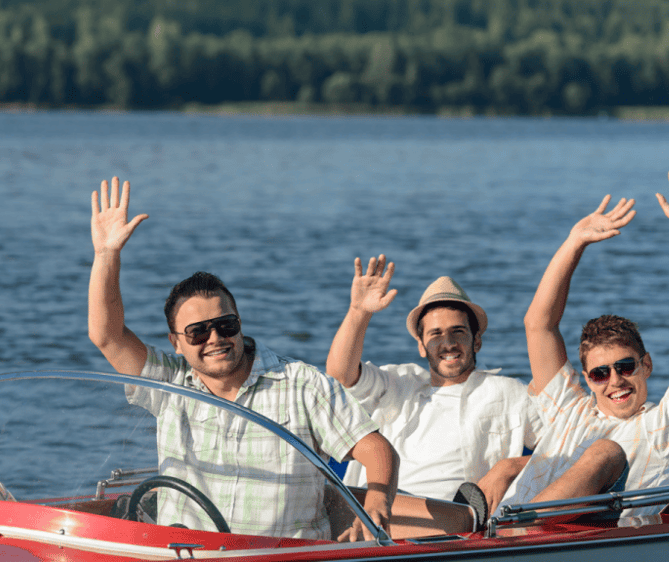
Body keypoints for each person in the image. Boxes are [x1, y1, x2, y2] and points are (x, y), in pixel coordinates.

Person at [87, 176, 398, 542]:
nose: (215, 339)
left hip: (284, 556)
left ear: (239, 324)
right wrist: (107, 255)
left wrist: (376, 503)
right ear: (176, 343)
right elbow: (106, 335)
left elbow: (376, 448)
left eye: (226, 325)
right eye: (198, 332)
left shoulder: (301, 384)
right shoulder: (169, 383)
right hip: (187, 554)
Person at [491, 163, 669, 519]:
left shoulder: (667, 425)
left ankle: (517, 529)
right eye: (600, 373)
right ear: (587, 378)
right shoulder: (570, 410)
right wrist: (575, 242)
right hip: (489, 535)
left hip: (561, 540)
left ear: (646, 365)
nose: (615, 381)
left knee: (604, 451)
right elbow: (538, 325)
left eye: (625, 367)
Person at [325, 255, 541, 513]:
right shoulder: (398, 383)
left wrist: (509, 468)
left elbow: (567, 446)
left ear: (477, 341)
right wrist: (358, 311)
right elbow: (339, 376)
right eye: (435, 334)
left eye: (458, 331)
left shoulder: (510, 393)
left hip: (449, 518)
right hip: (376, 508)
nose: (448, 343)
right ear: (421, 346)